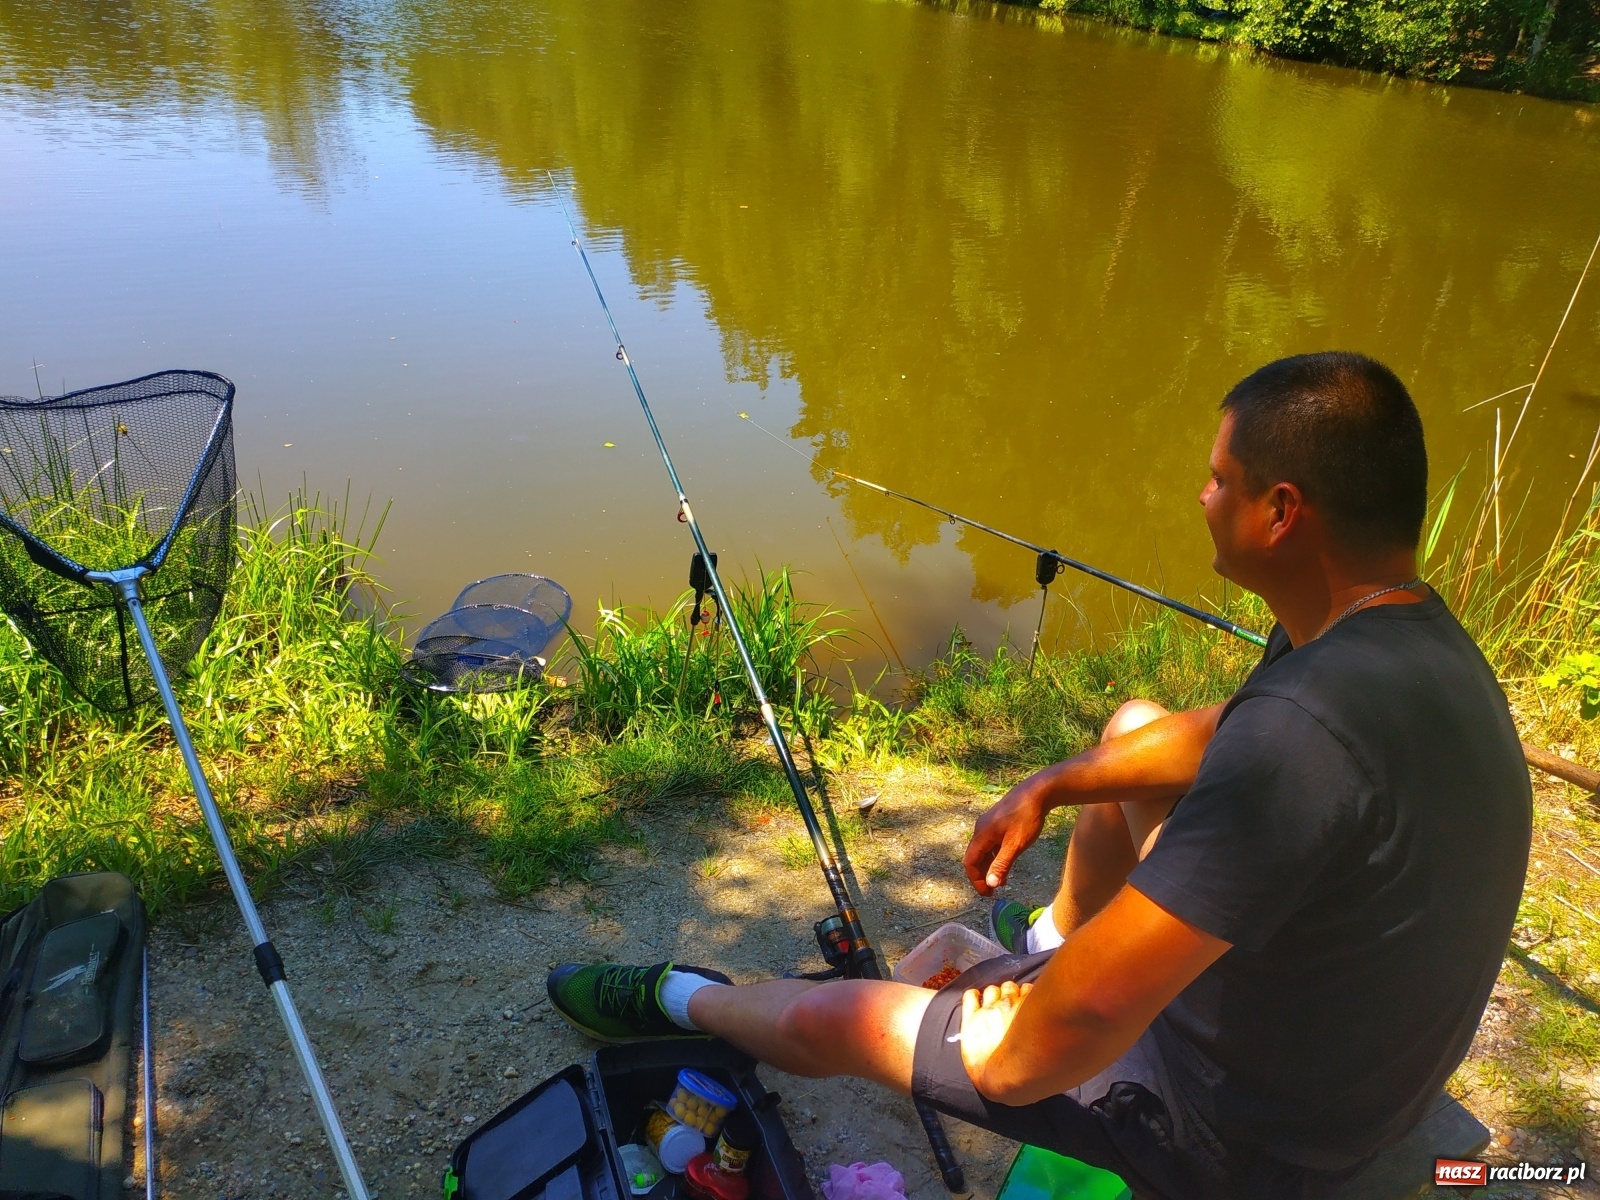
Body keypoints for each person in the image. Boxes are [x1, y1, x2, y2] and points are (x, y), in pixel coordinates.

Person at [545, 352, 1532, 1199]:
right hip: (1347, 1048)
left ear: (1281, 512)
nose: (1200, 496)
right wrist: (1054, 783)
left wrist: (992, 1021)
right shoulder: (1403, 642)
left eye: (1218, 479)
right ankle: (1053, 935)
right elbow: (1221, 731)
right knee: (1134, 734)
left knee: (834, 1015)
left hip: (1258, 1137)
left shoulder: (1303, 733)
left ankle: (685, 997)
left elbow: (1066, 1034)